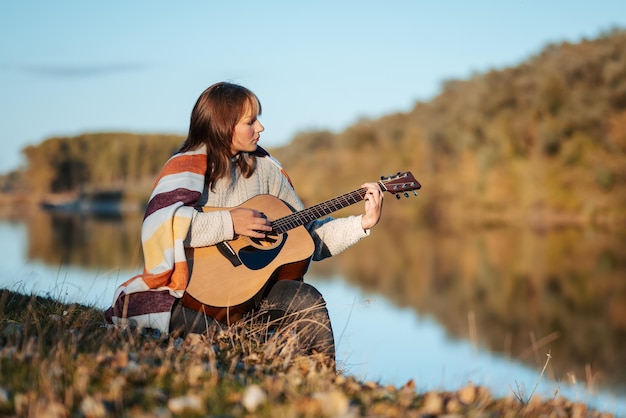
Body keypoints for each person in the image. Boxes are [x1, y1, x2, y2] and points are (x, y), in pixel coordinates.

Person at [105, 81, 384, 366]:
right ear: (224, 125)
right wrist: (230, 223)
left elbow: (307, 236)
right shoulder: (185, 167)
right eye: (250, 121)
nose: (260, 128)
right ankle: (254, 354)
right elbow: (161, 227)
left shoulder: (268, 170)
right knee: (209, 335)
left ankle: (324, 381)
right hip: (190, 295)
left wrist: (361, 223)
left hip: (254, 298)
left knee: (308, 300)